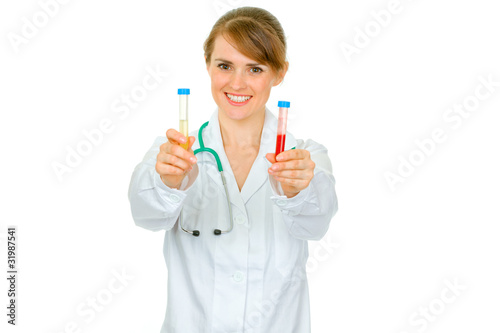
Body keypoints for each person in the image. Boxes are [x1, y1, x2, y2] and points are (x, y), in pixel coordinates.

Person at [128, 6, 338, 333]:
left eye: (255, 69)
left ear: (280, 73)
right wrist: (168, 183)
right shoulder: (171, 153)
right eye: (225, 66)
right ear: (208, 66)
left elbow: (315, 225)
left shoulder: (306, 157)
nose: (237, 84)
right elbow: (146, 216)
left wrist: (298, 190)